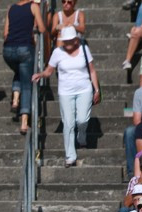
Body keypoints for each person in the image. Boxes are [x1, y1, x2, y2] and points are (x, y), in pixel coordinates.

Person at [32, 27, 98, 167]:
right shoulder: (57, 52)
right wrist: (41, 74)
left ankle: (82, 136)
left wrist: (96, 89)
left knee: (82, 119)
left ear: (76, 40)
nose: (67, 43)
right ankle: (70, 155)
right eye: (65, 41)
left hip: (84, 89)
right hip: (66, 92)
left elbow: (92, 70)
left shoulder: (84, 49)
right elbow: (49, 71)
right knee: (68, 123)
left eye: (70, 40)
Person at [2, 0, 45, 135]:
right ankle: (24, 121)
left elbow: (5, 34)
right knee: (27, 84)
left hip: (8, 50)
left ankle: (15, 99)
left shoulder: (11, 8)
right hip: (25, 48)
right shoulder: (33, 7)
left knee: (19, 71)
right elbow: (42, 29)